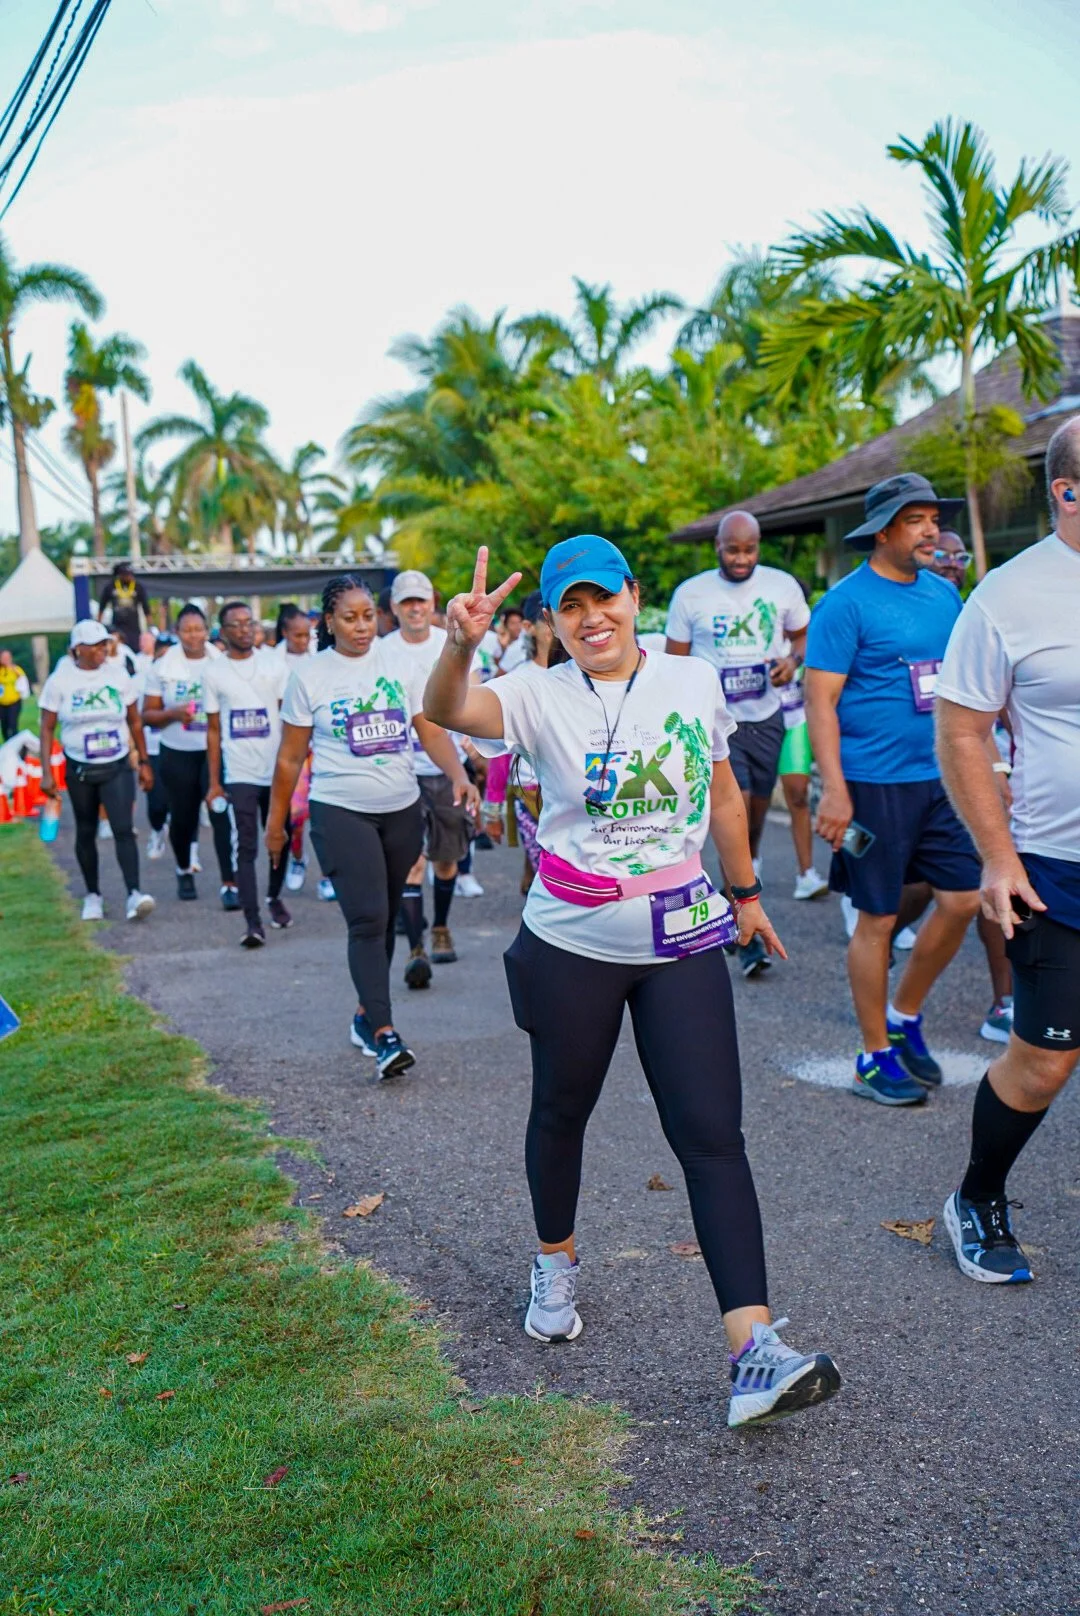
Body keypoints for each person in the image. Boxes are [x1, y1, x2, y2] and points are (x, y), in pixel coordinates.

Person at [425, 538, 839, 1429]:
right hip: (571, 938)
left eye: (602, 600)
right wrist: (459, 641)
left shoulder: (689, 683)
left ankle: (754, 1351)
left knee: (712, 1136)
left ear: (634, 596)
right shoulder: (538, 694)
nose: (591, 620)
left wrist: (747, 893)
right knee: (560, 1112)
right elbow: (448, 706)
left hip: (684, 934)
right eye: (569, 608)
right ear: (551, 620)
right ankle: (555, 1261)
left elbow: (722, 792)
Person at [936, 416, 1080, 1284]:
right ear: (1067, 492)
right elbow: (961, 731)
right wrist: (998, 858)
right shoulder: (1008, 596)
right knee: (1044, 1061)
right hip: (1053, 869)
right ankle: (976, 1197)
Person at [805, 473, 981, 1106]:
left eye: (934, 518)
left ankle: (904, 1017)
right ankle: (874, 1055)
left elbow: (965, 685)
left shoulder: (944, 597)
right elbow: (819, 701)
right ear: (883, 531)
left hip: (941, 778)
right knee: (877, 917)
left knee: (963, 898)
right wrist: (834, 790)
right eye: (916, 520)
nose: (931, 530)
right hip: (872, 784)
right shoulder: (846, 604)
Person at [265, 575, 474, 1080]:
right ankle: (385, 1035)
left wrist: (457, 773)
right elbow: (291, 759)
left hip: (401, 809)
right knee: (366, 919)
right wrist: (277, 826)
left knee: (382, 918)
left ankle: (364, 1016)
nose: (361, 627)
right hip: (340, 810)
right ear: (329, 622)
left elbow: (427, 727)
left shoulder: (398, 663)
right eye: (348, 617)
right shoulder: (310, 676)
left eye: (366, 616)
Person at [666, 510, 811, 977]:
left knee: (751, 821)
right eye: (733, 550)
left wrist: (793, 661)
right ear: (717, 547)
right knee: (739, 803)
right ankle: (746, 932)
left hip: (766, 716)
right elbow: (674, 662)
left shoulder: (782, 586)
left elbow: (802, 636)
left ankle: (734, 893)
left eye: (750, 550)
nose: (742, 559)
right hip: (716, 724)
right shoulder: (691, 595)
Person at [896, 529, 1014, 1043]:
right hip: (913, 768)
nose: (950, 562)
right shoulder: (913, 615)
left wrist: (1002, 766)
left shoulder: (979, 611)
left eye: (958, 555)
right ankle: (875, 930)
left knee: (993, 871)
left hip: (982, 760)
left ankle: (1004, 1000)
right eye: (940, 553)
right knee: (925, 887)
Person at [382, 569, 479, 980]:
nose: (415, 608)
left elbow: (475, 695)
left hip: (447, 767)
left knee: (445, 861)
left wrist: (474, 744)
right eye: (407, 602)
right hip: (401, 771)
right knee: (412, 864)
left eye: (421, 600)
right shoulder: (382, 651)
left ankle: (440, 927)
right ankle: (415, 947)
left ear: (432, 603)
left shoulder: (451, 643)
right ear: (394, 608)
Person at [38, 620, 155, 922]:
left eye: (105, 643)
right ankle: (93, 896)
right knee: (86, 829)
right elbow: (47, 727)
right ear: (78, 649)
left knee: (122, 829)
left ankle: (134, 893)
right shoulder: (60, 681)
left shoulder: (117, 676)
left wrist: (143, 761)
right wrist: (47, 772)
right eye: (96, 645)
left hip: (116, 763)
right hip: (80, 767)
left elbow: (135, 721)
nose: (104, 649)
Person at [204, 601, 292, 948]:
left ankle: (273, 896)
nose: (243, 629)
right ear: (223, 632)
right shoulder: (213, 672)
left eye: (248, 623)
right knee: (246, 845)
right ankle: (253, 922)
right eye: (235, 625)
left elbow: (289, 719)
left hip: (276, 770)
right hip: (239, 770)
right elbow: (212, 730)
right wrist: (214, 782)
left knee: (280, 838)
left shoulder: (274, 664)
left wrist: (294, 767)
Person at [142, 604, 238, 905]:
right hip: (178, 753)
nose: (193, 635)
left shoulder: (222, 662)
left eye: (198, 629)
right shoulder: (162, 668)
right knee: (183, 820)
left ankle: (229, 884)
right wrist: (172, 713)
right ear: (177, 632)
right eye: (186, 630)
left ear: (207, 630)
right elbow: (147, 714)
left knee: (221, 815)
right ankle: (184, 869)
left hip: (214, 752)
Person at [140, 633, 173, 859]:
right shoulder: (141, 679)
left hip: (179, 748)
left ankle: (190, 852)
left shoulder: (184, 679)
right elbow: (134, 719)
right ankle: (157, 831)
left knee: (184, 803)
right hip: (152, 749)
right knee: (157, 803)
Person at [98, 562, 150, 653]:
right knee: (117, 651)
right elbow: (102, 607)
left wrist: (150, 628)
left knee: (134, 651)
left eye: (130, 574)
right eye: (126, 574)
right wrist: (98, 626)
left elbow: (146, 610)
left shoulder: (138, 587)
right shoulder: (111, 587)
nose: (129, 577)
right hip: (116, 628)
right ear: (120, 575)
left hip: (134, 629)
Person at [0, 648, 30, 741]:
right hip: (1, 704)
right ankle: (7, 747)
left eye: (7, 657)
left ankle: (16, 747)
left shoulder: (16, 670)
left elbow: (23, 682)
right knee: (4, 727)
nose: (5, 659)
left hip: (14, 702)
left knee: (12, 726)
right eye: (3, 657)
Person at [496, 604, 527, 673]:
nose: (517, 627)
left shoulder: (525, 642)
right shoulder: (497, 641)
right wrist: (503, 648)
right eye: (513, 623)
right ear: (505, 625)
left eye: (519, 622)